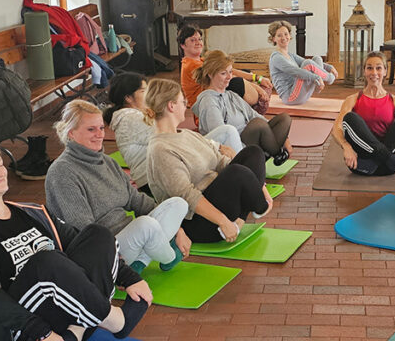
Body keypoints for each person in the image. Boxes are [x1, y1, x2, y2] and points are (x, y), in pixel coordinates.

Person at [0, 140, 150, 341]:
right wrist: (40, 332)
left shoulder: (33, 212)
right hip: (29, 339)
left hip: (66, 321)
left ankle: (78, 330)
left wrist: (131, 278)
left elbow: (84, 245)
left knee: (97, 234)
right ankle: (116, 321)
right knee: (47, 261)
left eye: (0, 165)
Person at [45, 99, 191, 273]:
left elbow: (136, 200)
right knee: (146, 225)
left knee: (178, 204)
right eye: (91, 129)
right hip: (104, 252)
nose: (99, 134)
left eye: (101, 128)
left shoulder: (108, 162)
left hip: (131, 238)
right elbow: (85, 231)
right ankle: (170, 257)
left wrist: (178, 230)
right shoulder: (61, 173)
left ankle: (139, 262)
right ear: (71, 133)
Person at [145, 78, 272, 243]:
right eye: (183, 101)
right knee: (237, 173)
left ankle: (242, 217)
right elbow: (187, 195)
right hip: (199, 222)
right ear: (171, 106)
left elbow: (220, 161)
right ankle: (254, 209)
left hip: (218, 198)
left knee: (253, 153)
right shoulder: (161, 149)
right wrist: (223, 222)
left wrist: (261, 187)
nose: (186, 105)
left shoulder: (186, 134)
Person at [106, 72, 242, 188]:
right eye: (143, 91)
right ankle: (241, 175)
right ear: (128, 98)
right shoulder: (130, 119)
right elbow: (173, 137)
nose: (148, 95)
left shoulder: (133, 116)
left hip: (163, 169)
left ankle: (240, 174)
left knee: (226, 136)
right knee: (227, 133)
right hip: (154, 178)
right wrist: (216, 146)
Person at [191, 50, 293, 164]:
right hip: (236, 149)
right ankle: (277, 153)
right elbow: (221, 136)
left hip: (252, 142)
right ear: (210, 74)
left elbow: (253, 115)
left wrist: (285, 139)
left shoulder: (231, 95)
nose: (229, 77)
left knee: (284, 119)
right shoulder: (208, 101)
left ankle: (268, 153)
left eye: (230, 72)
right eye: (223, 73)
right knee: (258, 124)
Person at [332, 51, 395, 176]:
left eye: (378, 68)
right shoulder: (353, 99)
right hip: (362, 162)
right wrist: (346, 146)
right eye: (369, 68)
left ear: (385, 71)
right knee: (350, 118)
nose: (374, 73)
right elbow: (336, 129)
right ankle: (387, 158)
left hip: (383, 166)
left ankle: (377, 161)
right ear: (364, 71)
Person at [178, 25, 271, 111]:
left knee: (241, 72)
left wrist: (257, 78)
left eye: (199, 39)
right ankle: (256, 104)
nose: (198, 43)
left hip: (217, 96)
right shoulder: (191, 65)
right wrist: (259, 88)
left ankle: (249, 100)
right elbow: (226, 77)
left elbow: (231, 71)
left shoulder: (200, 60)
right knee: (236, 82)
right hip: (208, 107)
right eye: (192, 40)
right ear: (182, 45)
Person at [267, 20, 337, 105]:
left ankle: (320, 83)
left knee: (317, 58)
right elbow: (296, 71)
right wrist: (317, 78)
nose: (284, 37)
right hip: (291, 97)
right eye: (279, 35)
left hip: (302, 94)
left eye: (286, 34)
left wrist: (329, 67)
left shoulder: (290, 55)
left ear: (289, 35)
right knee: (308, 64)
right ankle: (329, 79)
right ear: (273, 39)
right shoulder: (276, 57)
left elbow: (309, 63)